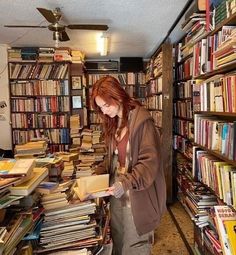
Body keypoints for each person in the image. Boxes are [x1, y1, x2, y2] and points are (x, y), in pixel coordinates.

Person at [91, 75, 166, 255]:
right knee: (119, 236)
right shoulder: (114, 121)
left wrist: (125, 183)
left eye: (106, 105)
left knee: (135, 244)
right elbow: (114, 159)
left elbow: (149, 163)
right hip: (118, 190)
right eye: (100, 107)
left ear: (117, 96)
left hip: (137, 192)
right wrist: (97, 174)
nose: (104, 111)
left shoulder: (142, 121)